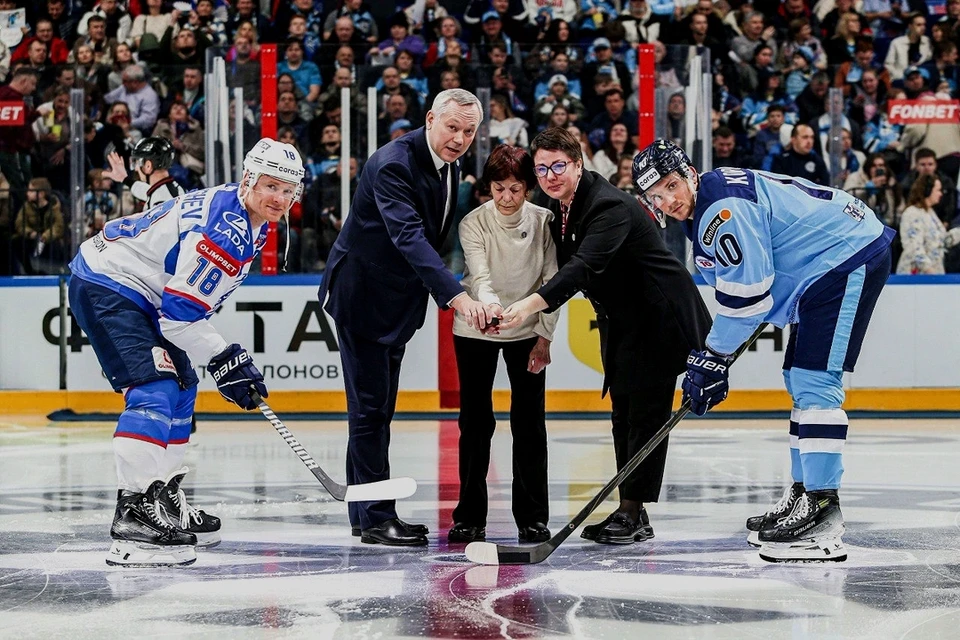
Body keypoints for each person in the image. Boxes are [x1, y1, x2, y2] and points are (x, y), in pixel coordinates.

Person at [633, 139, 895, 562]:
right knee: (799, 379)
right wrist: (714, 355)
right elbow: (749, 287)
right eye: (656, 196)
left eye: (670, 185)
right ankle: (804, 494)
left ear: (688, 173)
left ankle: (823, 511)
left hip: (847, 255)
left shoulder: (721, 209)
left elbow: (748, 298)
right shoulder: (707, 204)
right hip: (824, 265)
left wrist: (713, 356)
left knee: (815, 382)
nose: (667, 200)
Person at [67, 138, 306, 567]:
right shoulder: (224, 231)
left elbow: (185, 304)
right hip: (108, 283)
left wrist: (223, 360)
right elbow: (179, 318)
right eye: (272, 186)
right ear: (249, 179)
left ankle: (163, 496)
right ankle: (133, 514)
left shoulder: (248, 214)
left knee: (184, 386)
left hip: (142, 288)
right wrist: (226, 356)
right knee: (155, 387)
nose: (281, 199)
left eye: (289, 191)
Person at [499, 128, 711, 546]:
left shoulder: (608, 205)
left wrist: (527, 307)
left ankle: (633, 514)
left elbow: (581, 269)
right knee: (623, 414)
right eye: (542, 169)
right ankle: (632, 510)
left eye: (559, 166)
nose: (550, 175)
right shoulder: (558, 207)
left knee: (644, 416)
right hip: (623, 320)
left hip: (660, 318)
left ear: (579, 165)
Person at [318, 89, 495, 547]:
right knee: (371, 411)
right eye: (452, 127)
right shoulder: (393, 163)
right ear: (431, 118)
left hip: (393, 302)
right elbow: (410, 239)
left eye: (469, 131)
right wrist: (457, 296)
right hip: (364, 299)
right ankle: (376, 518)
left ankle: (364, 513)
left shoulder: (447, 164)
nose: (459, 139)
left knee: (373, 410)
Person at [448, 145, 558, 545]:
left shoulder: (544, 221)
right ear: (487, 188)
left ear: (528, 187)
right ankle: (469, 516)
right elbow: (478, 276)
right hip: (476, 327)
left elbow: (551, 281)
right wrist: (491, 310)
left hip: (527, 331)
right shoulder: (473, 223)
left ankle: (532, 517)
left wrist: (544, 335)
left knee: (529, 424)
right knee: (475, 423)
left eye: (516, 189)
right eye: (499, 189)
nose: (508, 198)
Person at [896, 175, 960, 274]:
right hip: (916, 277)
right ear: (927, 190)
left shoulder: (930, 213)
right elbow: (914, 248)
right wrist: (930, 271)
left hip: (934, 275)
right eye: (938, 190)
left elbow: (944, 241)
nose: (940, 194)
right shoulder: (912, 213)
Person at [102, 137, 185, 212]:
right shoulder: (168, 190)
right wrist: (124, 179)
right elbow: (145, 191)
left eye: (137, 163)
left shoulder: (162, 200)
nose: (136, 169)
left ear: (148, 166)